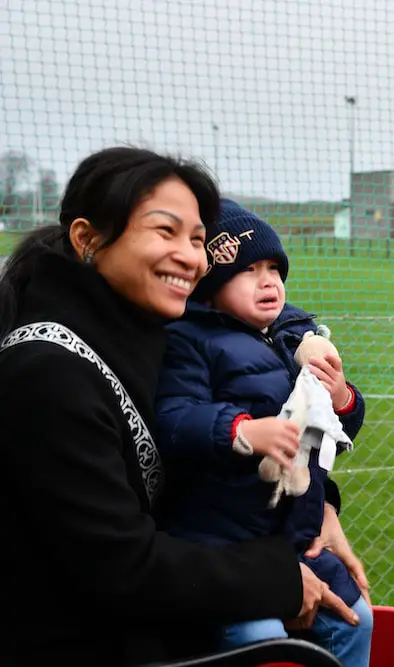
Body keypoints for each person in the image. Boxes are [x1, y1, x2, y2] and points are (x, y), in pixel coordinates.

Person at [0, 147, 351, 665]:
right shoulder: (47, 370)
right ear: (87, 239)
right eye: (165, 232)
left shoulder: (149, 335)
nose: (191, 257)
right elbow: (118, 565)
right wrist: (275, 576)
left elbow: (194, 463)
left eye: (196, 239)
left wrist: (320, 505)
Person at [153, 200, 373, 666]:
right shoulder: (190, 340)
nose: (269, 279)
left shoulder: (292, 334)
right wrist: (244, 431)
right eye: (249, 269)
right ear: (210, 284)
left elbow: (335, 427)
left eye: (274, 267)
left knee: (358, 616)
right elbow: (175, 418)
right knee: (263, 637)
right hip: (223, 544)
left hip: (293, 536)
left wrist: (341, 398)